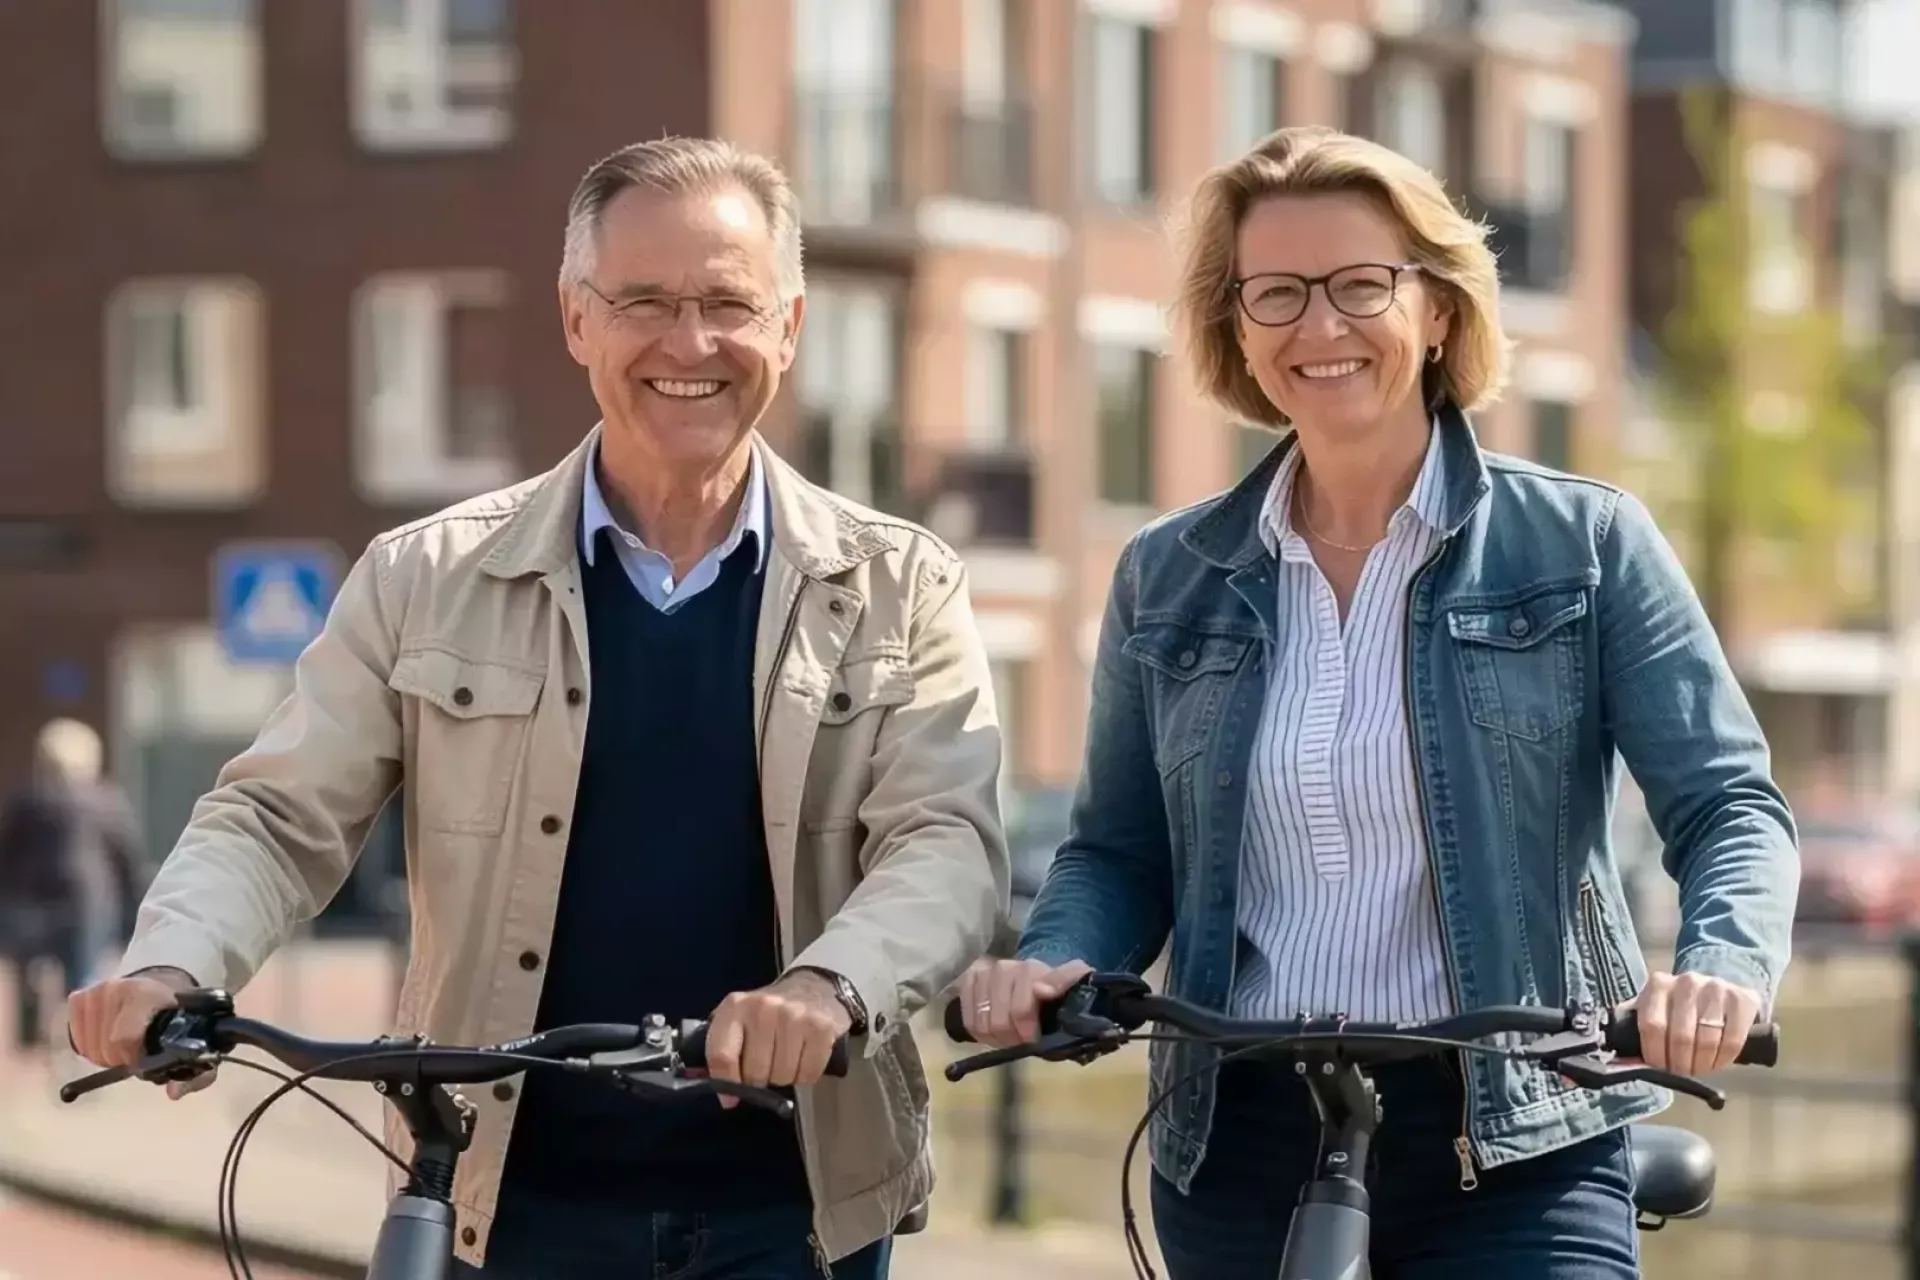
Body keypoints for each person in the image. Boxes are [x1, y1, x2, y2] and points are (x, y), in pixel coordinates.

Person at [68, 137, 1010, 1279]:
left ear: (790, 326)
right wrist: (172, 964)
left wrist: (830, 983)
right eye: (645, 302)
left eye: (728, 303)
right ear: (576, 320)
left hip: (798, 1210)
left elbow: (946, 838)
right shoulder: (423, 577)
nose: (690, 342)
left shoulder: (900, 583)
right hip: (495, 1202)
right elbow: (277, 817)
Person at [957, 126, 1798, 1279]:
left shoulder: (1586, 543)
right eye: (1278, 294)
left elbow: (1730, 805)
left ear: (1439, 310)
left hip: (1517, 1132)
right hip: (1239, 1142)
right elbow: (1115, 851)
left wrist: (1725, 968)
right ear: (1237, 326)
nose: (1320, 326)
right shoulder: (1166, 573)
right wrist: (1050, 958)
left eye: (1362, 284)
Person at [0, 718, 143, 1050]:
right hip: (88, 903)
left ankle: (30, 1021)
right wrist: (134, 913)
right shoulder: (107, 802)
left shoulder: (27, 801)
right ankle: (77, 1034)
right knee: (82, 975)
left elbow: (5, 856)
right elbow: (127, 861)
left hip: (33, 904)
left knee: (28, 962)